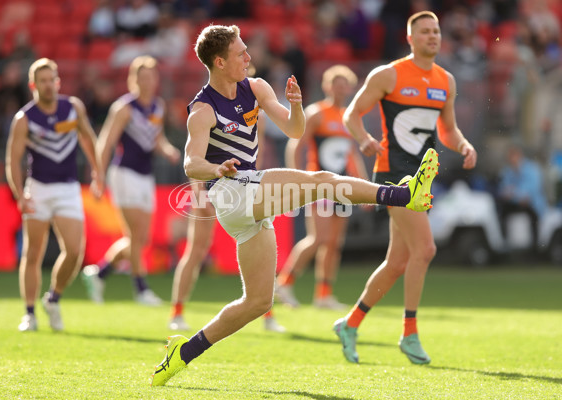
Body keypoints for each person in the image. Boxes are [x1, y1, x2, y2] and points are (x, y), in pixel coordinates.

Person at [151, 24, 438, 387]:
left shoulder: (255, 87)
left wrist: (297, 106)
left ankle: (183, 353)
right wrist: (215, 167)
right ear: (220, 61)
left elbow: (293, 130)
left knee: (258, 301)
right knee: (321, 182)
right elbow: (191, 162)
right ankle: (402, 194)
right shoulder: (203, 110)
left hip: (248, 199)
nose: (249, 57)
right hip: (231, 193)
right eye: (241, 53)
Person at [333, 11, 477, 365]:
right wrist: (364, 139)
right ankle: (409, 332)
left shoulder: (446, 81)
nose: (432, 36)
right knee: (425, 249)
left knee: (398, 261)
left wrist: (462, 145)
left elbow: (447, 129)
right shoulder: (389, 74)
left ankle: (350, 324)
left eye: (436, 31)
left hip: (422, 180)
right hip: (394, 177)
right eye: (425, 32)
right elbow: (351, 114)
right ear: (410, 38)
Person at [5, 58, 103, 332]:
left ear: (58, 82)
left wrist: (97, 172)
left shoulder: (72, 108)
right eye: (43, 81)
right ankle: (29, 313)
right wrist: (19, 195)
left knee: (74, 251)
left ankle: (53, 298)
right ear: (33, 85)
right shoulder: (24, 118)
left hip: (68, 188)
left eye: (52, 80)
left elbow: (87, 137)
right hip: (38, 189)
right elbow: (12, 160)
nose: (48, 85)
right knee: (32, 253)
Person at [169, 112, 286, 333]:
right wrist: (197, 188)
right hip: (211, 185)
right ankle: (177, 312)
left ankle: (267, 315)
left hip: (243, 187)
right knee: (196, 250)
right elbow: (196, 152)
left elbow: (255, 154)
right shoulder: (212, 107)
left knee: (261, 246)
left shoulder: (256, 113)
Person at [81, 55, 181, 306]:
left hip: (145, 176)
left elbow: (157, 139)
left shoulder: (158, 106)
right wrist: (98, 174)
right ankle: (141, 289)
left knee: (141, 239)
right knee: (136, 235)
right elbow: (106, 141)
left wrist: (168, 150)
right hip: (124, 174)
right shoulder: (124, 107)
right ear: (133, 80)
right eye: (142, 77)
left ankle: (99, 273)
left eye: (151, 77)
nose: (147, 82)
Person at [275, 65, 367, 310]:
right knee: (319, 238)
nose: (340, 88)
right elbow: (296, 145)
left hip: (342, 187)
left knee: (334, 243)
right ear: (327, 86)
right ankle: (283, 283)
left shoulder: (348, 116)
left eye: (344, 84)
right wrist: (297, 178)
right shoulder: (317, 113)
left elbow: (352, 156)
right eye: (336, 83)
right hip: (320, 185)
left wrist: (364, 186)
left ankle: (324, 294)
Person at [497, 143, 546, 251]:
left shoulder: (531, 169)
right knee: (502, 213)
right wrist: (516, 195)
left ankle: (535, 248)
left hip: (532, 204)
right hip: (516, 203)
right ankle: (504, 244)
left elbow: (532, 190)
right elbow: (503, 189)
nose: (511, 159)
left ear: (519, 155)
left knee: (534, 219)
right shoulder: (508, 171)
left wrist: (515, 194)